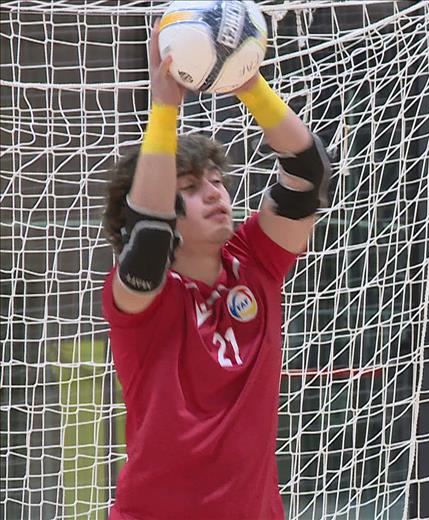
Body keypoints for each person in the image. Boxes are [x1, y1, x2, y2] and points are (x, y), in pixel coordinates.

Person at [100, 19, 329, 520]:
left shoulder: (256, 260)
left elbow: (307, 171)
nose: (214, 193)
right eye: (190, 185)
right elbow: (150, 236)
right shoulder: (139, 296)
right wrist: (165, 110)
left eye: (217, 181)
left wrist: (247, 82)